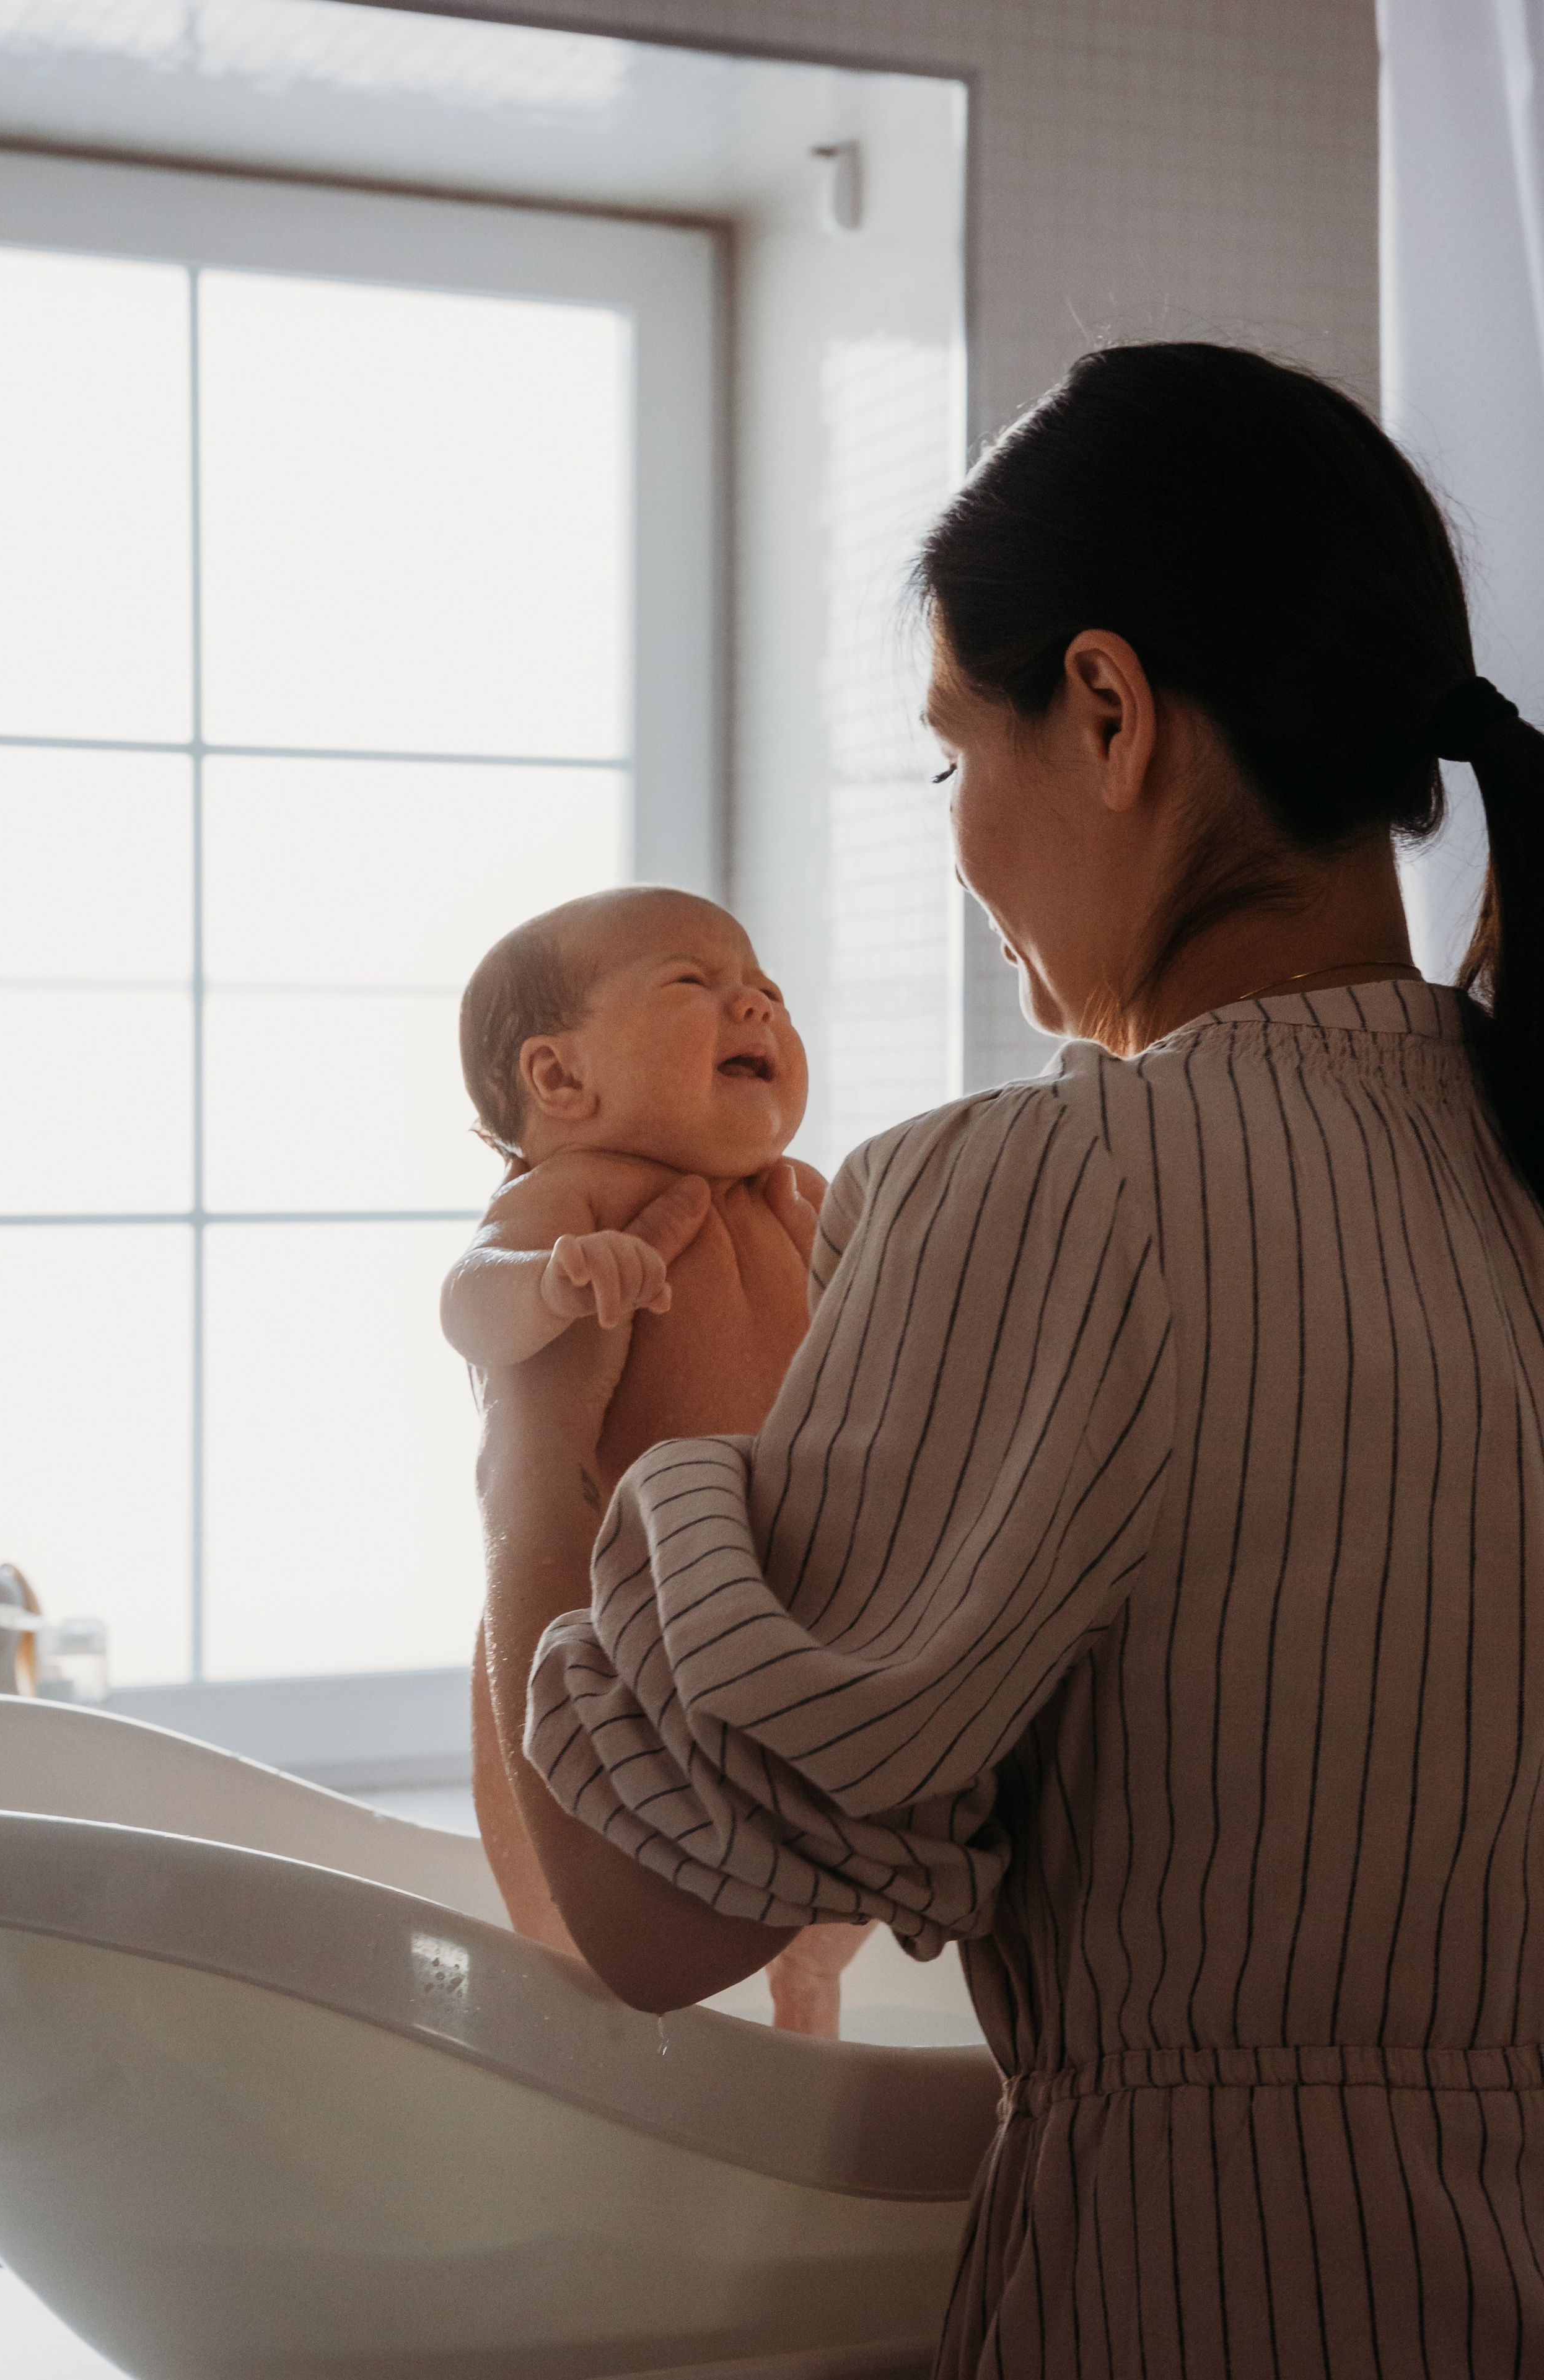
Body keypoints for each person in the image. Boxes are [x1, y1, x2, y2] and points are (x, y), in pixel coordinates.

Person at [470, 342, 1544, 2373]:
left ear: (1113, 713)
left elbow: (654, 1913)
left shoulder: (1060, 1190)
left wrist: (533, 1440)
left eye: (957, 754)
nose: (960, 844)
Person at [443, 885, 872, 2035]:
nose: (756, 1002)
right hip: (613, 1638)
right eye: (695, 984)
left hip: (783, 1618)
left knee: (841, 1850)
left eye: (766, 991)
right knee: (586, 1917)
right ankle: (599, 2054)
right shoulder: (571, 1199)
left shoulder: (805, 1199)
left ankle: (813, 1981)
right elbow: (463, 1302)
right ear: (560, 1080)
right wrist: (551, 1279)